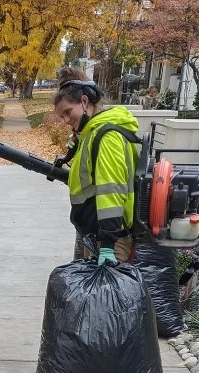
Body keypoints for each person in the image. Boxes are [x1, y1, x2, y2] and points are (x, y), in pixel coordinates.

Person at [52, 68, 141, 265]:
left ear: (85, 102)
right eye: (62, 117)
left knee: (108, 296)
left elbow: (111, 190)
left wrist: (108, 245)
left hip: (109, 242)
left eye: (68, 112)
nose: (66, 120)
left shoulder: (107, 137)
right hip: (95, 235)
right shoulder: (91, 133)